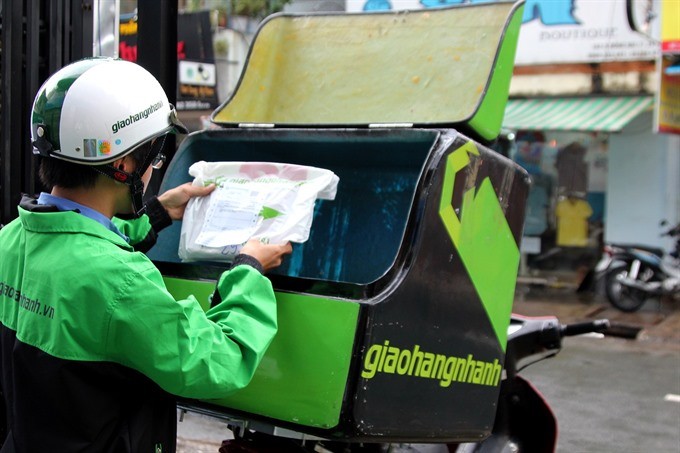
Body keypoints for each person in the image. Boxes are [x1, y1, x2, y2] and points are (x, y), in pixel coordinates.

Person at [0, 57, 292, 452]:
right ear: (123, 165)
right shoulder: (122, 282)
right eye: (154, 156)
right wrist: (249, 270)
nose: (156, 167)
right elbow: (217, 361)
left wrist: (157, 213)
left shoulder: (13, 239)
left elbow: (77, 244)